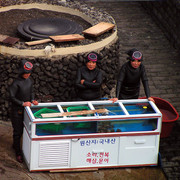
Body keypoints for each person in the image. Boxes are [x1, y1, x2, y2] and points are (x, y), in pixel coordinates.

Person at [9, 60, 38, 163]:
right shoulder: (16, 83)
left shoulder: (29, 80)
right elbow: (11, 97)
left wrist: (32, 100)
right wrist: (22, 103)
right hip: (17, 111)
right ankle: (18, 152)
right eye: (25, 73)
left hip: (26, 110)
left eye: (29, 73)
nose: (27, 75)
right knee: (18, 131)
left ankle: (15, 145)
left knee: (25, 131)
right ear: (21, 72)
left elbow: (31, 92)